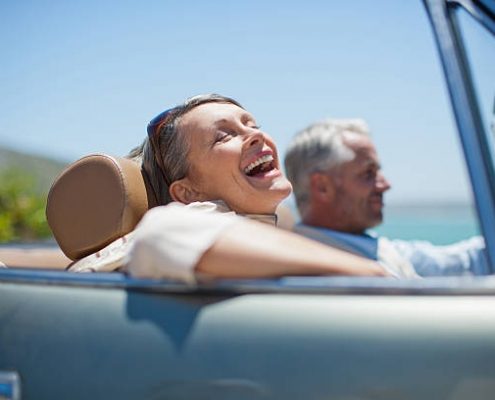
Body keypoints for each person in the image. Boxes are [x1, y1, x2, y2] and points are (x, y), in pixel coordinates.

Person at [69, 94, 391, 281]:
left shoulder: (250, 238)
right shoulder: (193, 219)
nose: (256, 136)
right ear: (188, 193)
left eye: (252, 125)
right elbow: (162, 233)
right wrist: (371, 275)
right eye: (223, 136)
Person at [284, 118, 488, 277]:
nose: (385, 185)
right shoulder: (316, 267)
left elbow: (456, 262)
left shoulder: (371, 247)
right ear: (322, 187)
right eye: (368, 174)